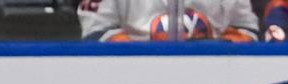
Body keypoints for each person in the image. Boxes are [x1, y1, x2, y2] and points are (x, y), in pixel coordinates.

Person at [78, 0, 259, 39]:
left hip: (211, 74)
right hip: (132, 77)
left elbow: (245, 29)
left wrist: (219, 49)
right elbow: (96, 31)